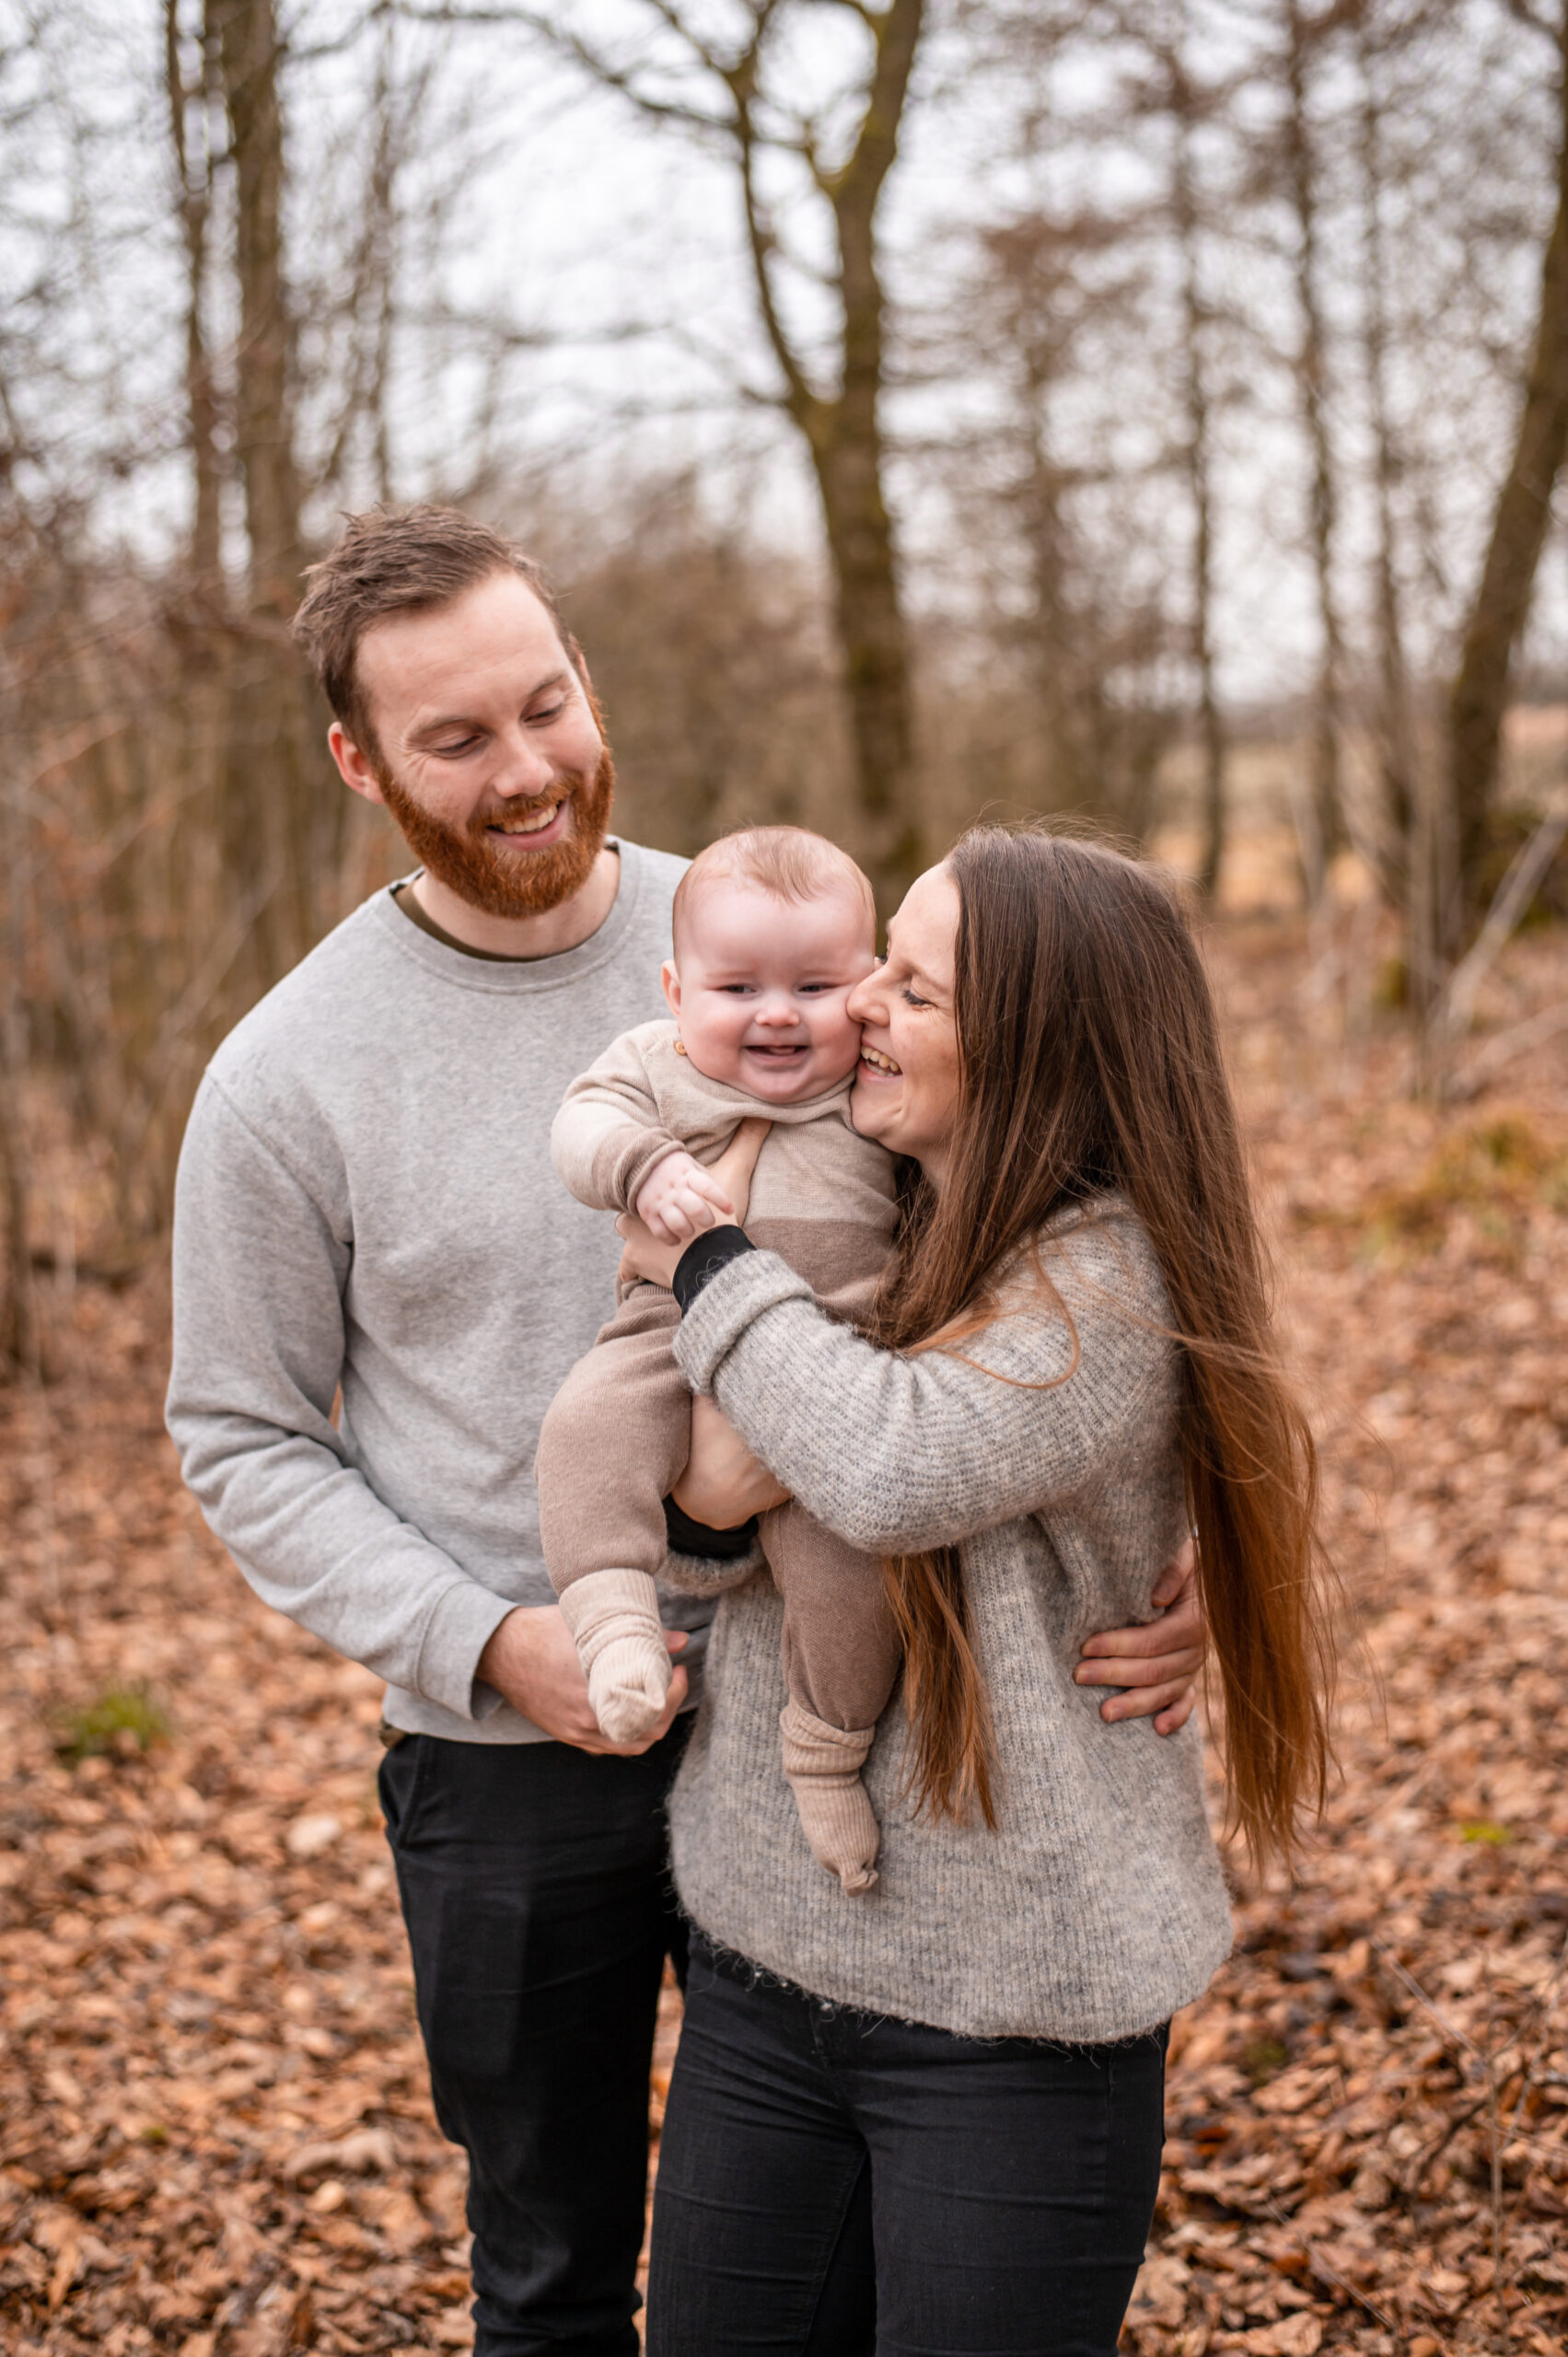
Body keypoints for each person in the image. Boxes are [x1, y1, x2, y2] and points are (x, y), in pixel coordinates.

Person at [164, 503, 1208, 2357]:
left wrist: (1158, 1536)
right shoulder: (284, 1074)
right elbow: (242, 1438)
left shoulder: (772, 925)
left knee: (830, 2238)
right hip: (520, 1742)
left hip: (832, 1692)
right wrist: (488, 1640)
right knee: (554, 2272)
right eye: (455, 738)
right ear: (356, 760)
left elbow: (1048, 1180)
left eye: (543, 703)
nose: (527, 768)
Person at [616, 829, 1336, 2357]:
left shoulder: (1105, 1283)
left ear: (1029, 1050)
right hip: (764, 1962)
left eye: (913, 988)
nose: (855, 1004)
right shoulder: (871, 1205)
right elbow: (715, 1507)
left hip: (1011, 2026)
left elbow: (882, 1468)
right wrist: (698, 1504)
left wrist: (707, 1263)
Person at [540, 825, 905, 1895]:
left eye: (814, 983)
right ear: (673, 989)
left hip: (840, 1370)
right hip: (672, 1329)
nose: (777, 1013)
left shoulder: (876, 1088)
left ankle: (827, 1750)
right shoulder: (656, 1069)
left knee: (853, 1585)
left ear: (869, 985)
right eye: (736, 986)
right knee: (584, 1429)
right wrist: (642, 1167)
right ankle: (612, 1628)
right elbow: (579, 1124)